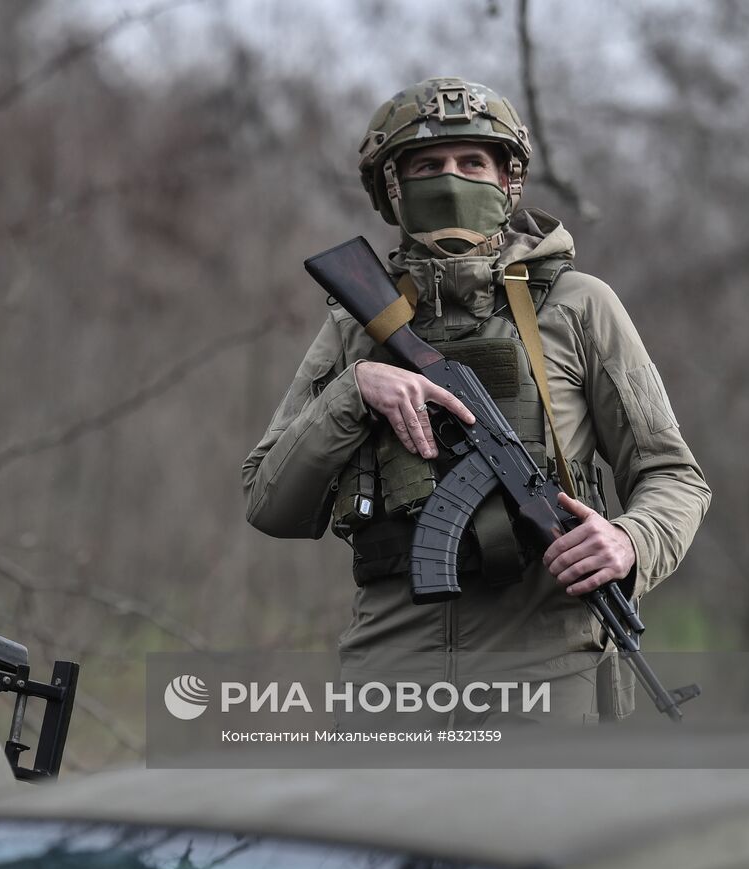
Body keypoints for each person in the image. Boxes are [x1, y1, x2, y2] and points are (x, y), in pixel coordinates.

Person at [241, 77, 710, 724]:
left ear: (507, 180)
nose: (452, 179)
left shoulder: (578, 306)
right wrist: (355, 390)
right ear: (393, 188)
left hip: (549, 673)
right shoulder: (356, 325)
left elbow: (673, 477)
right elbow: (269, 503)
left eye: (472, 162)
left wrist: (629, 542)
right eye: (427, 165)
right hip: (388, 676)